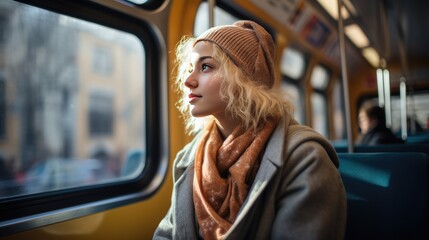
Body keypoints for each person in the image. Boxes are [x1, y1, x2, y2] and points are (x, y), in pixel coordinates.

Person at [154, 20, 346, 240]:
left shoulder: (306, 159)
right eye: (189, 69)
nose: (188, 80)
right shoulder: (189, 156)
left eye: (205, 66)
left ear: (243, 79)